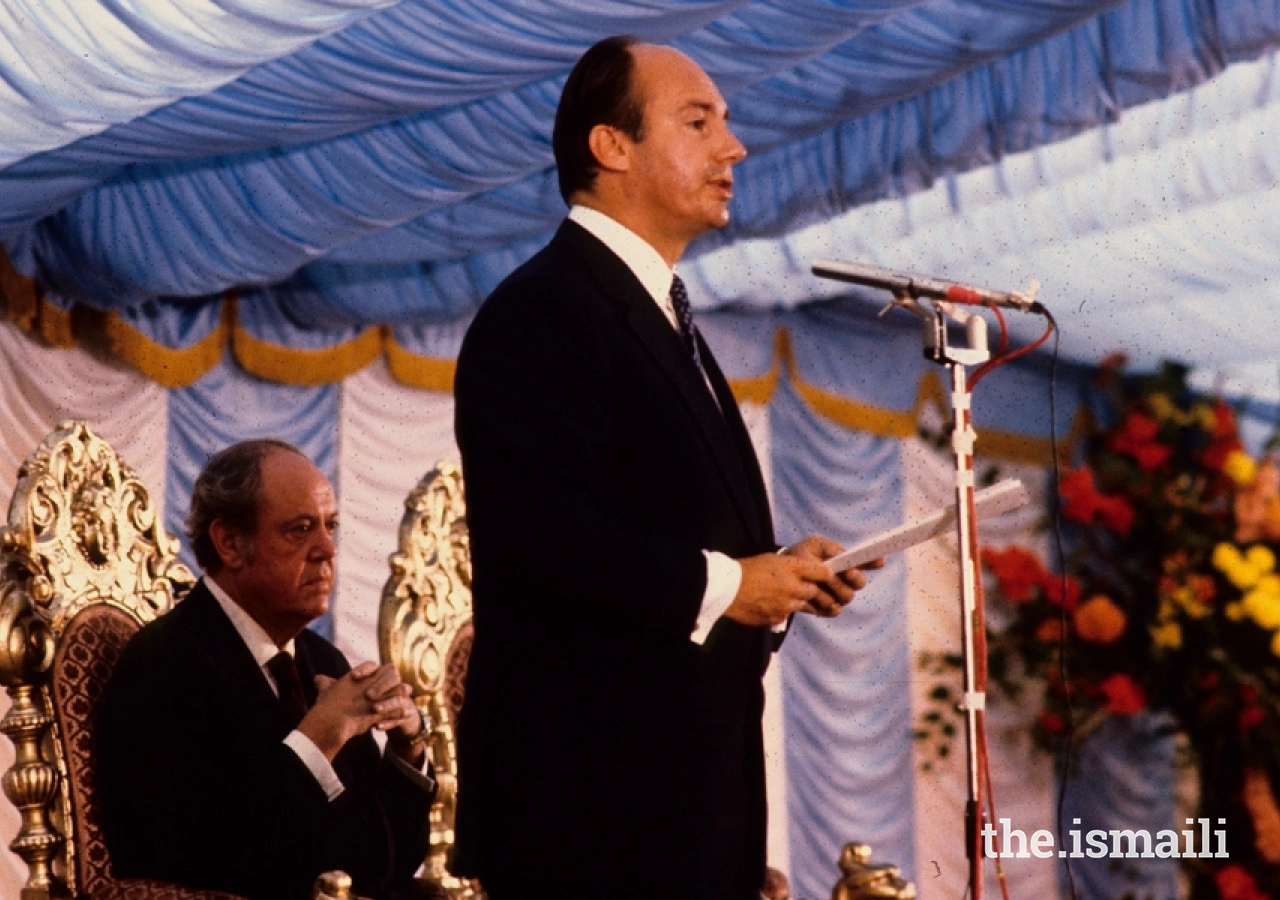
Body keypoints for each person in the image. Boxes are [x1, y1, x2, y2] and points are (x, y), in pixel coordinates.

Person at [452, 35, 876, 900]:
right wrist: (730, 584)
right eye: (699, 121)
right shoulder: (542, 310)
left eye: (726, 122)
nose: (735, 147)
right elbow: (543, 534)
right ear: (612, 147)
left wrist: (780, 578)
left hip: (683, 806)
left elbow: (671, 524)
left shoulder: (660, 312)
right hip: (591, 809)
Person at [97, 440, 436, 900]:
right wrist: (319, 735)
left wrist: (406, 745)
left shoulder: (323, 662)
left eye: (330, 527)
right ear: (231, 543)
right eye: (300, 530)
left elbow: (378, 867)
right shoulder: (165, 663)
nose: (327, 551)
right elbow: (200, 861)